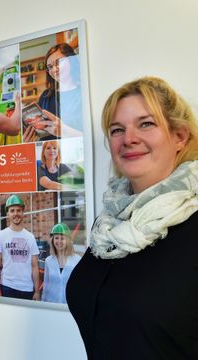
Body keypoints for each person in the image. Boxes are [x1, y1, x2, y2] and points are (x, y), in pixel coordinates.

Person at [66, 76, 198, 358]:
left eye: (146, 124)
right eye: (117, 130)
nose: (129, 139)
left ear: (180, 137)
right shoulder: (110, 225)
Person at [26, 43, 82, 140]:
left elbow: (91, 135)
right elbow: (42, 131)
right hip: (49, 151)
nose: (54, 69)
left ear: (72, 60)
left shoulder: (83, 93)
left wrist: (64, 131)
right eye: (50, 67)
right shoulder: (46, 96)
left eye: (59, 62)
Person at [0, 195, 40, 300]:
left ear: (23, 212)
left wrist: (37, 291)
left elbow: (35, 266)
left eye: (18, 210)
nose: (16, 213)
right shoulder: (1, 235)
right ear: (7, 214)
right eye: (12, 211)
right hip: (7, 286)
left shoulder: (30, 237)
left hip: (27, 289)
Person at [41, 223, 80, 304]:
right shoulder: (48, 261)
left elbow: (81, 286)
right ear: (52, 240)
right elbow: (46, 285)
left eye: (62, 238)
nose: (59, 241)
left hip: (70, 305)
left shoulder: (77, 260)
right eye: (56, 238)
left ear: (68, 240)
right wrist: (43, 302)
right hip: (51, 304)